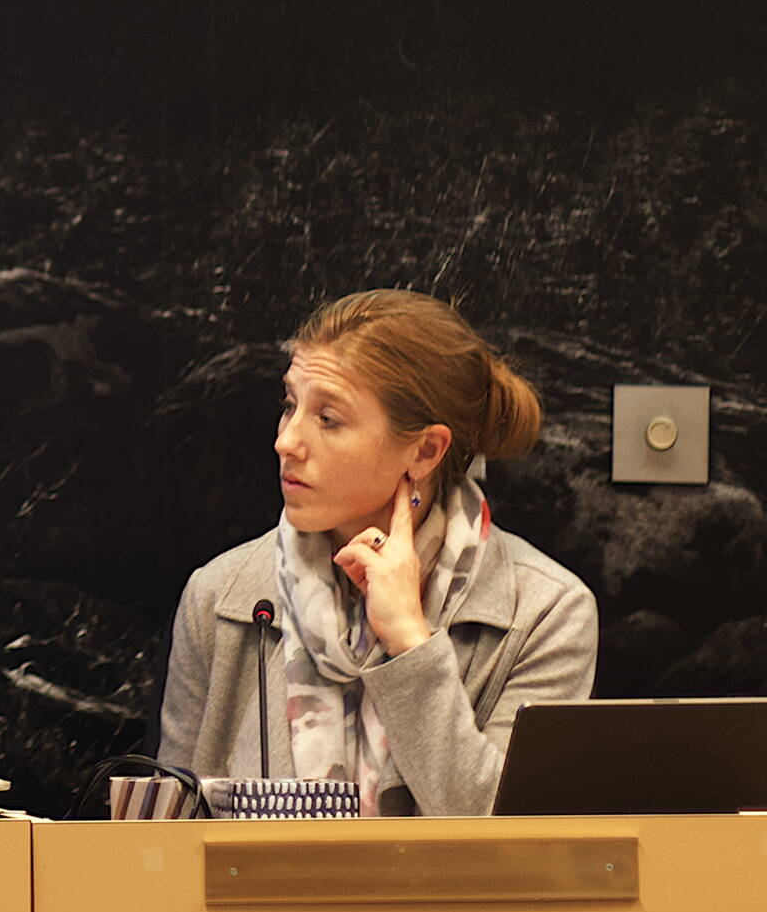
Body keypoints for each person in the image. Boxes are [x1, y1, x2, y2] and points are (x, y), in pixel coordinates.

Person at [157, 289, 597, 816]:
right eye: (290, 406)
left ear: (425, 450)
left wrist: (411, 644)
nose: (286, 442)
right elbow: (164, 846)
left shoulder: (546, 611)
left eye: (328, 419)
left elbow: (509, 842)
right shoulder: (221, 596)